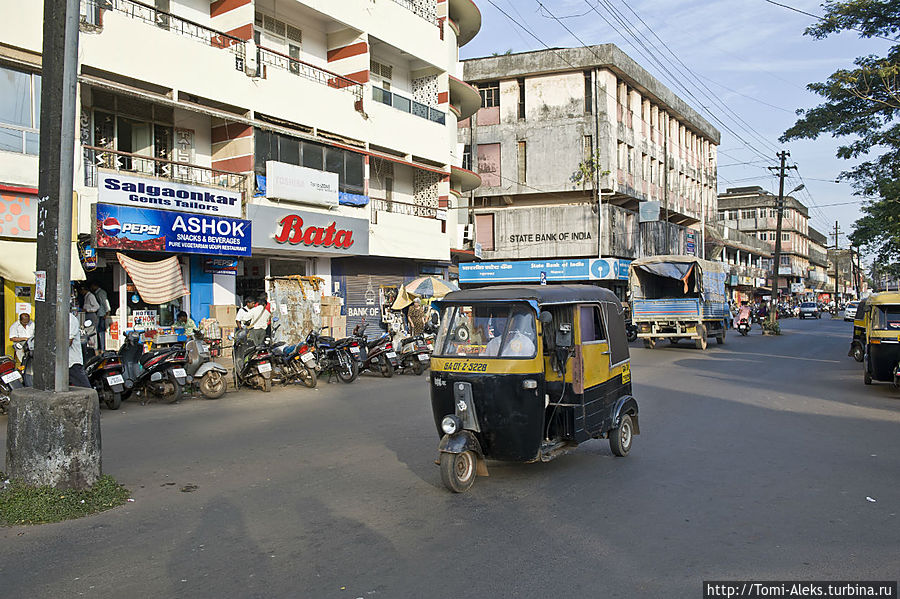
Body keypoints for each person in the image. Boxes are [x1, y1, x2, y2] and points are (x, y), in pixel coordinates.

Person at [68, 309, 91, 388]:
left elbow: (69, 342)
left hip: (72, 361)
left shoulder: (71, 319)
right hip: (62, 361)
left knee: (84, 387)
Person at [90, 282, 110, 351]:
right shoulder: (97, 293)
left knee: (101, 332)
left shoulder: (101, 293)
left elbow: (105, 302)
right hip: (99, 314)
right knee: (99, 331)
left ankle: (103, 348)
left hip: (102, 314)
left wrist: (107, 312)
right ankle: (101, 347)